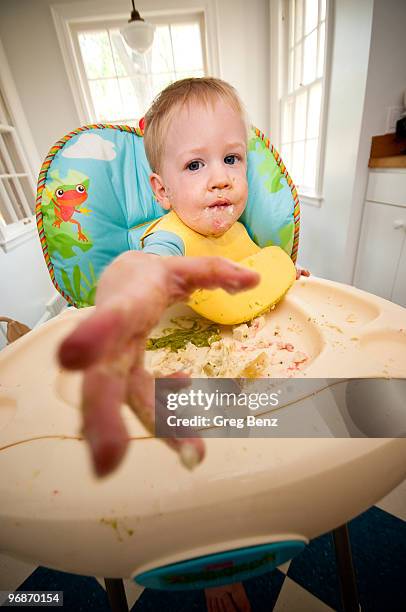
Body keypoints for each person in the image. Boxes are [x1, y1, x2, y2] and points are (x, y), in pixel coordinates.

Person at [59, 76, 308, 612]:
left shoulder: (241, 234)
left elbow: (259, 273)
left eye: (232, 159)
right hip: (179, 379)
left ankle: (252, 517)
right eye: (196, 166)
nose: (219, 180)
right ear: (162, 190)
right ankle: (215, 565)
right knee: (198, 474)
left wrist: (289, 276)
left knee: (252, 456)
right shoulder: (169, 234)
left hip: (246, 367)